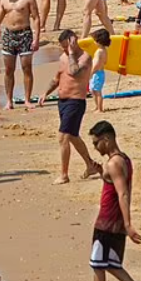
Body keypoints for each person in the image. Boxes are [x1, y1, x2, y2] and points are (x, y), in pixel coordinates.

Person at [83, 120, 141, 281]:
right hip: (114, 219)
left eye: (96, 143)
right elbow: (114, 184)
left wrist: (128, 224)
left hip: (108, 220)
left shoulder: (114, 163)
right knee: (106, 262)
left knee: (99, 263)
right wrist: (99, 171)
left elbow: (123, 193)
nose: (95, 147)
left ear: (107, 139)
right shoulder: (123, 160)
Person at [48, 30, 102, 184]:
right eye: (63, 47)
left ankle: (64, 175)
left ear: (73, 41)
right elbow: (58, 77)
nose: (65, 50)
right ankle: (90, 165)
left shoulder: (85, 58)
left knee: (63, 136)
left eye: (67, 46)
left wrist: (71, 53)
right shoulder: (63, 57)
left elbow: (74, 72)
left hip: (76, 101)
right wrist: (46, 93)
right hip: (62, 102)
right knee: (72, 136)